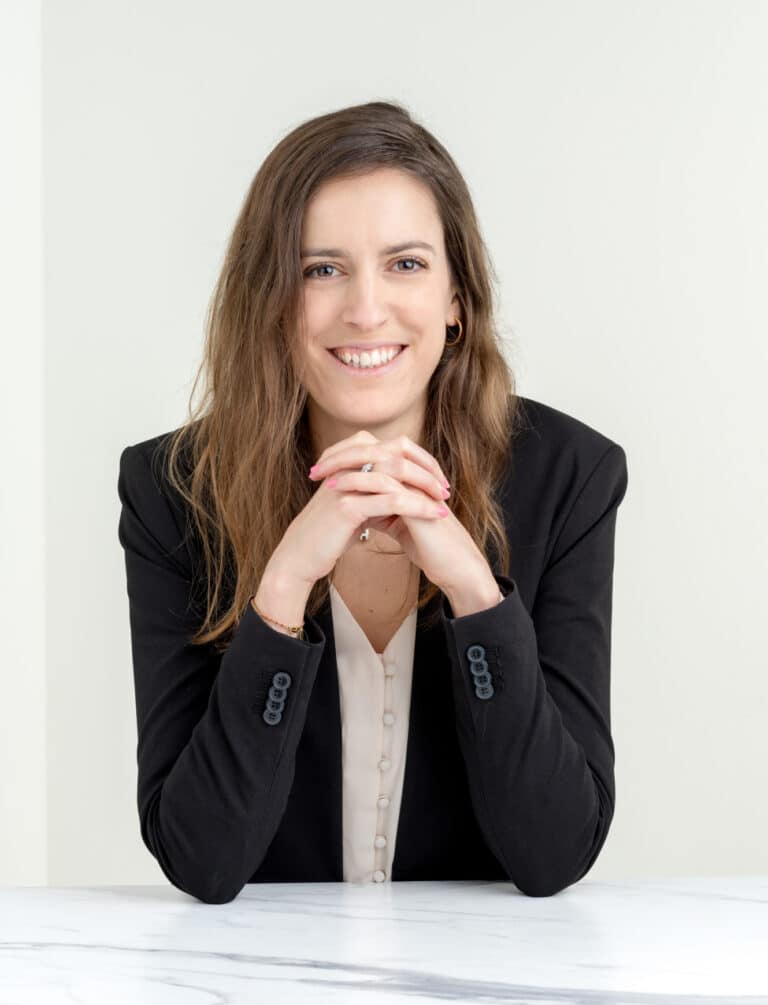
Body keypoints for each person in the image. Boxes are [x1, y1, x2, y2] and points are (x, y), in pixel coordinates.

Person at [117, 100, 629, 904]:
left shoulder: (570, 477)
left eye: (406, 264)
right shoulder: (171, 492)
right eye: (321, 269)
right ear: (272, 302)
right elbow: (201, 860)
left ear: (458, 298)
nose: (364, 309)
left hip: (489, 985)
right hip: (262, 988)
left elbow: (555, 850)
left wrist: (476, 595)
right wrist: (281, 592)